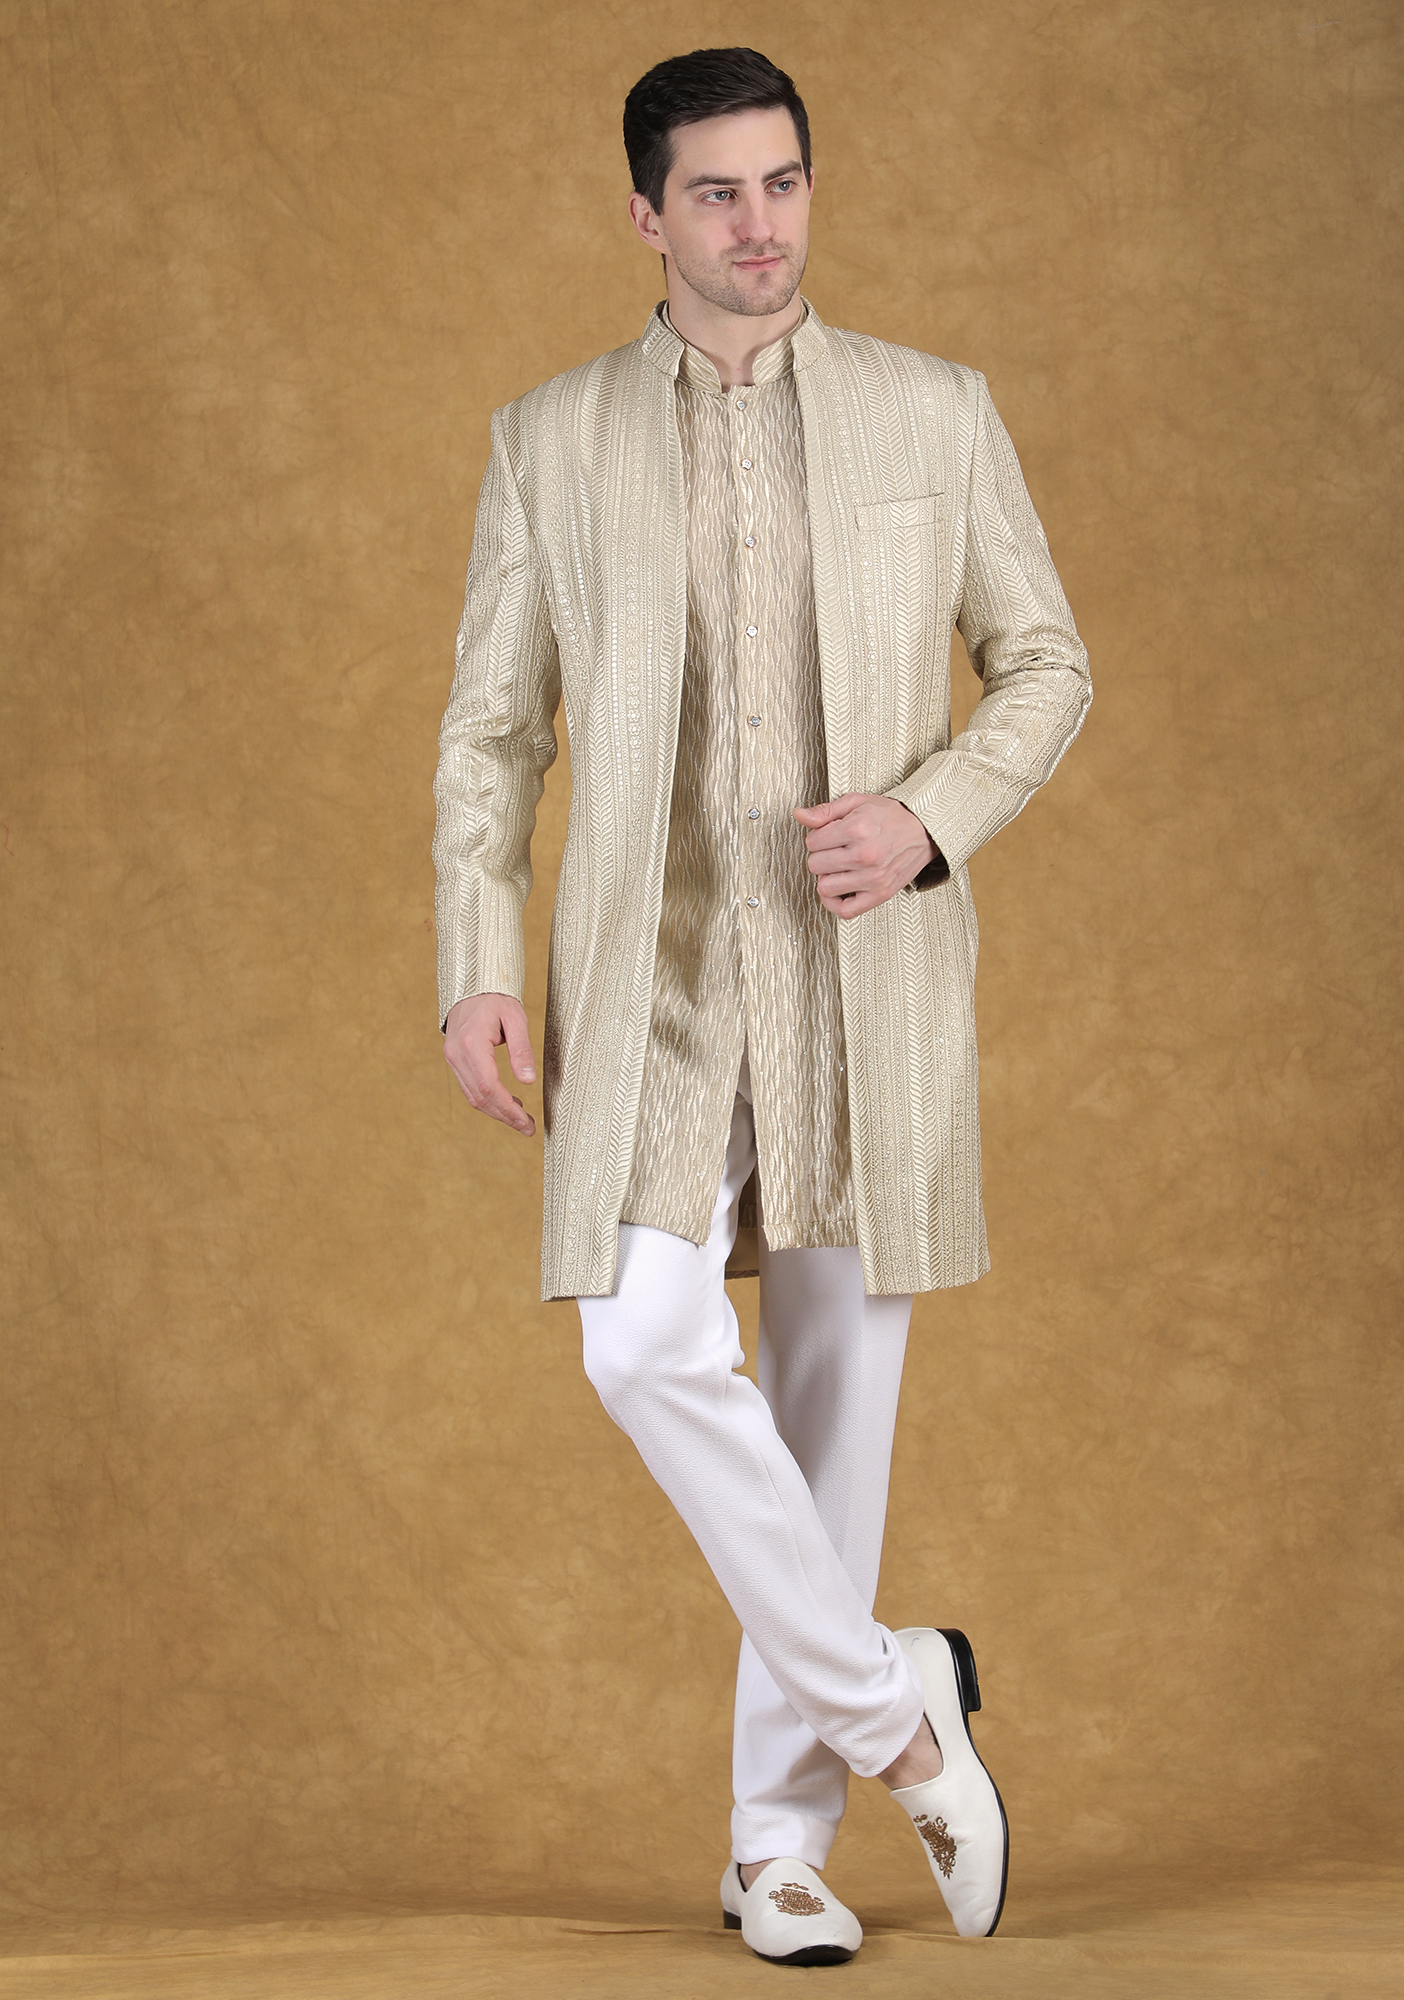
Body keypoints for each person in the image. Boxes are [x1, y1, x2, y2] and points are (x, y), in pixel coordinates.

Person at [433, 46, 1089, 1967]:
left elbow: (1046, 663)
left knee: (829, 1423)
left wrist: (929, 814)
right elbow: (491, 732)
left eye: (783, 183)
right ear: (647, 214)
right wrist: (481, 963)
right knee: (642, 1348)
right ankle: (903, 1713)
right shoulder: (550, 441)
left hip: (862, 984)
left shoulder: (932, 412)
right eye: (716, 193)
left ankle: (777, 1850)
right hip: (649, 979)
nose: (759, 225)